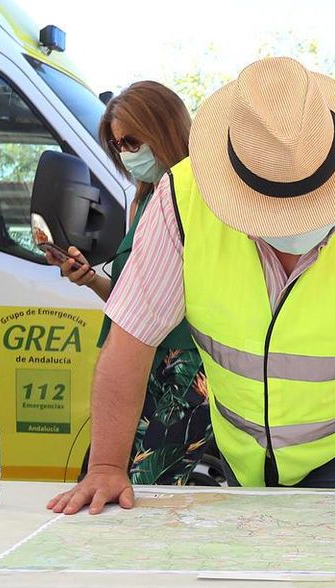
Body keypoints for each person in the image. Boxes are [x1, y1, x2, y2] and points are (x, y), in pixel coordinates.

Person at [49, 57, 335, 531]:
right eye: (272, 211)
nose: (290, 226)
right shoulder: (182, 201)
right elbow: (130, 338)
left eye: (308, 206)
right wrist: (107, 466)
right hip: (238, 438)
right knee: (251, 587)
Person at [44, 81, 215, 486]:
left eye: (133, 140)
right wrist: (90, 280)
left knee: (143, 488)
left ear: (166, 129)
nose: (126, 153)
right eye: (118, 145)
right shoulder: (141, 201)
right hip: (134, 364)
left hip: (183, 370)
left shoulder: (202, 199)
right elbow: (133, 300)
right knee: (107, 480)